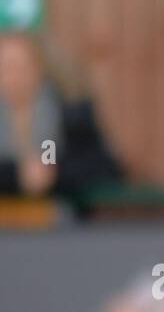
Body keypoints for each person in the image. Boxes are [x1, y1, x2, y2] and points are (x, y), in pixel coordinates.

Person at [0, 31, 120, 201]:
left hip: (63, 220)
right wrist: (17, 175)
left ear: (39, 68)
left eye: (22, 67)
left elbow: (104, 168)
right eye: (6, 67)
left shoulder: (71, 113)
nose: (15, 77)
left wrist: (53, 173)